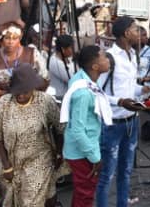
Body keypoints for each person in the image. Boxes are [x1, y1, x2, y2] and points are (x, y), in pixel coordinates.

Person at [0, 63, 64, 207]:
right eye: (17, 91)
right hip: (11, 160)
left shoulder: (45, 101)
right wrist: (6, 166)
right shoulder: (4, 103)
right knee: (14, 201)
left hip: (39, 159)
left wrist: (59, 153)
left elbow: (60, 128)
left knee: (31, 202)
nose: (21, 95)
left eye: (25, 91)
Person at [97, 16, 147, 207]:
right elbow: (97, 92)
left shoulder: (132, 55)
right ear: (126, 33)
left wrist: (143, 91)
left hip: (131, 121)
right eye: (135, 29)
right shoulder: (109, 58)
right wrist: (120, 102)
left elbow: (129, 86)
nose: (138, 33)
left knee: (125, 171)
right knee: (106, 175)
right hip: (112, 124)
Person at [60, 44, 111, 207]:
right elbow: (77, 130)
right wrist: (94, 158)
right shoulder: (83, 92)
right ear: (95, 66)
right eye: (104, 57)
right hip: (82, 151)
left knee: (82, 193)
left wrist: (120, 102)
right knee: (85, 194)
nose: (108, 59)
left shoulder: (83, 79)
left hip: (86, 147)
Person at [0, 20, 48, 103]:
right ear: (1, 40)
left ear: (20, 38)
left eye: (15, 38)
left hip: (30, 104)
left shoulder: (32, 54)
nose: (10, 42)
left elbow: (45, 79)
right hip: (4, 105)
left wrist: (28, 91)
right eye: (7, 38)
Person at [46, 34, 78, 100]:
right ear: (63, 49)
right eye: (71, 47)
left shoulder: (67, 58)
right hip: (59, 97)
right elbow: (72, 79)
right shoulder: (55, 62)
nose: (73, 50)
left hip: (66, 94)